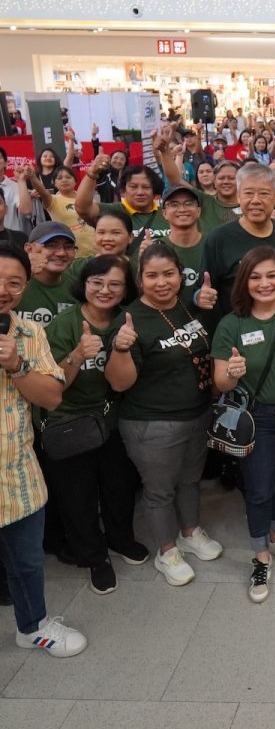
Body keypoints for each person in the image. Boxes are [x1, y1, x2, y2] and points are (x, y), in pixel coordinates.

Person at [104, 242, 223, 586]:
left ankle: (190, 532)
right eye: (152, 275)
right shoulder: (130, 319)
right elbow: (119, 382)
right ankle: (167, 551)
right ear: (140, 278)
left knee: (189, 480)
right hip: (152, 423)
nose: (162, 282)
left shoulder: (187, 308)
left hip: (197, 414)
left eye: (168, 274)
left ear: (179, 274)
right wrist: (121, 348)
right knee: (159, 491)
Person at [212, 247, 275, 603]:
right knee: (258, 488)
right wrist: (231, 373)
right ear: (245, 282)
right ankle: (260, 554)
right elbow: (220, 383)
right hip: (256, 419)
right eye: (255, 277)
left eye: (272, 275)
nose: (264, 283)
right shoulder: (232, 323)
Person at [42, 255, 147, 595]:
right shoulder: (62, 325)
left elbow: (122, 382)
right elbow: (50, 388)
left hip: (110, 419)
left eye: (115, 284)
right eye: (97, 282)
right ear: (84, 284)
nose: (105, 290)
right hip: (68, 423)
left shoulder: (126, 321)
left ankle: (120, 538)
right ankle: (94, 557)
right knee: (78, 496)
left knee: (119, 486)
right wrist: (76, 355)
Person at [0, 245, 86, 657]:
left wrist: (17, 366)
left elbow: (51, 396)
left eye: (14, 282)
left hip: (16, 472)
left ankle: (31, 626)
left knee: (27, 560)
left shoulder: (29, 333)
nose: (4, 289)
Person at [200, 162, 275, 315]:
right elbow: (203, 288)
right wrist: (199, 296)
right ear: (238, 196)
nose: (256, 200)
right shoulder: (219, 238)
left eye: (264, 193)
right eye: (248, 193)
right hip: (238, 329)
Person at [76, 158, 168, 251]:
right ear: (123, 191)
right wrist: (92, 174)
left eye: (146, 187)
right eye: (133, 187)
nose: (140, 192)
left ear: (155, 192)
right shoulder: (111, 212)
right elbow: (83, 208)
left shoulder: (168, 214)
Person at [20, 164, 95, 257]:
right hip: (71, 256)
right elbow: (42, 191)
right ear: (54, 183)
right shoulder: (53, 200)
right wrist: (32, 176)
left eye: (68, 177)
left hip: (95, 252)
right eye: (59, 178)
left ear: (75, 181)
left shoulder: (85, 199)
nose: (64, 180)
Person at [17, 222, 77, 326]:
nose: (61, 253)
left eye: (68, 247)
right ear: (29, 249)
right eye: (51, 245)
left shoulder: (79, 290)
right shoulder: (11, 284)